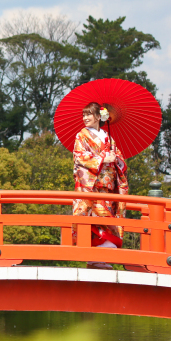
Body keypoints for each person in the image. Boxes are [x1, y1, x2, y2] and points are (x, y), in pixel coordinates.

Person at [72, 102, 129, 269]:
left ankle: (102, 256)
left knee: (108, 218)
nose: (85, 118)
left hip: (108, 186)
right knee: (96, 219)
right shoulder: (81, 136)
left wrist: (115, 159)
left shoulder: (108, 137)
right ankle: (94, 256)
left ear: (99, 116)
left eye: (89, 114)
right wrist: (103, 159)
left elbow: (120, 161)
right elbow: (79, 158)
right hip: (92, 185)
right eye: (84, 115)